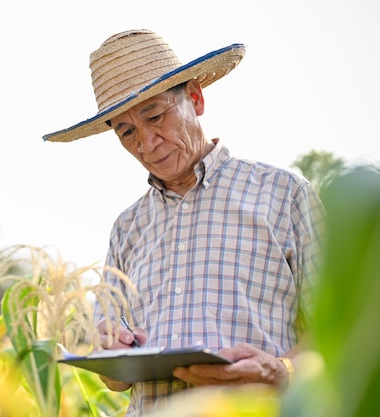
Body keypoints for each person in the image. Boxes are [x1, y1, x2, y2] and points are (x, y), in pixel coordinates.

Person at [43, 29, 325, 416]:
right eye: (126, 132)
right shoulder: (127, 228)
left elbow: (343, 331)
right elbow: (115, 379)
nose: (146, 142)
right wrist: (113, 349)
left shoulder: (284, 194)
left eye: (155, 116)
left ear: (195, 97)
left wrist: (281, 370)